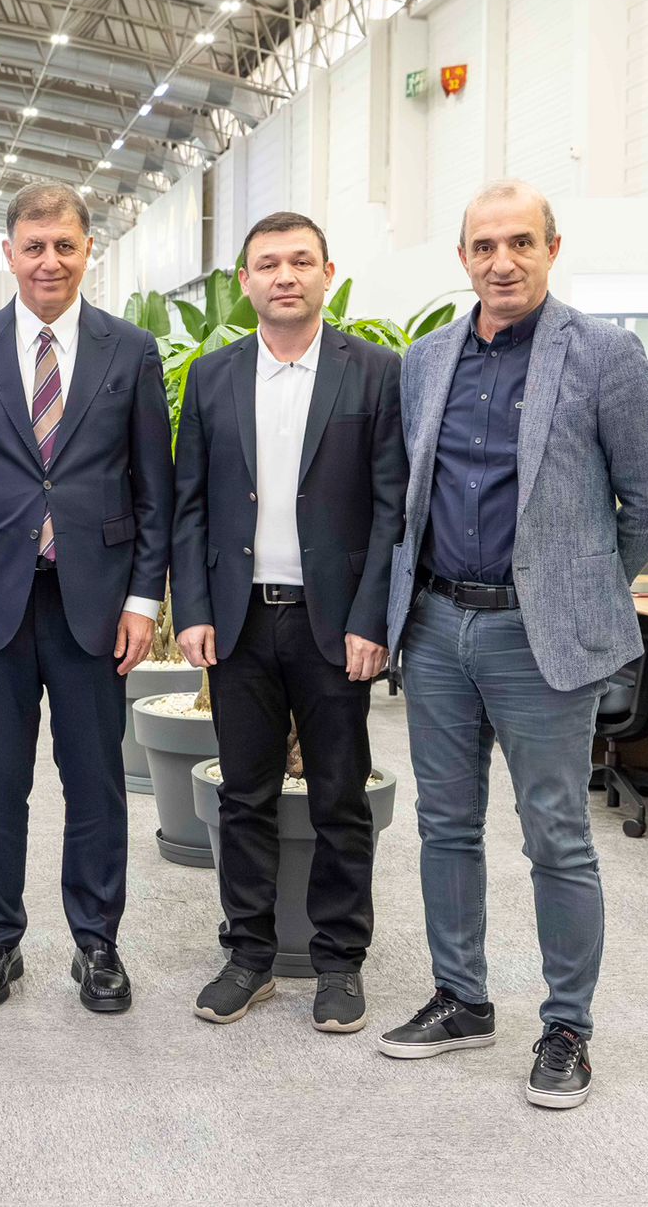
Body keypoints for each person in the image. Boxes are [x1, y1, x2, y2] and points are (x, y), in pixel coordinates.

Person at [377, 179, 648, 1109]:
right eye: (484, 246)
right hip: (436, 625)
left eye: (520, 243)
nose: (501, 262)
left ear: (552, 248)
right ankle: (462, 999)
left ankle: (566, 1028)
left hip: (535, 634)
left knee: (556, 833)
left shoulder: (604, 354)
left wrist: (575, 583)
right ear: (463, 258)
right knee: (445, 824)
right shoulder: (426, 360)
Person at [0, 181, 173, 1014]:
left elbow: (154, 491)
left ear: (87, 249)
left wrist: (143, 602)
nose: (49, 261)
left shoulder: (130, 350)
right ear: (9, 253)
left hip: (94, 604)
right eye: (34, 246)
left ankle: (97, 944)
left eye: (65, 245)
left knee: (96, 782)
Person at [170, 211, 405, 1031]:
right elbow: (190, 505)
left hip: (333, 626)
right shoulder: (214, 376)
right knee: (245, 796)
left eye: (301, 261)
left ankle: (340, 962)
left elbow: (391, 508)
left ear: (327, 274)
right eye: (268, 263)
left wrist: (374, 618)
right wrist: (192, 609)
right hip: (239, 624)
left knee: (340, 797)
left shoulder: (374, 372)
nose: (285, 276)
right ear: (246, 282)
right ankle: (249, 956)